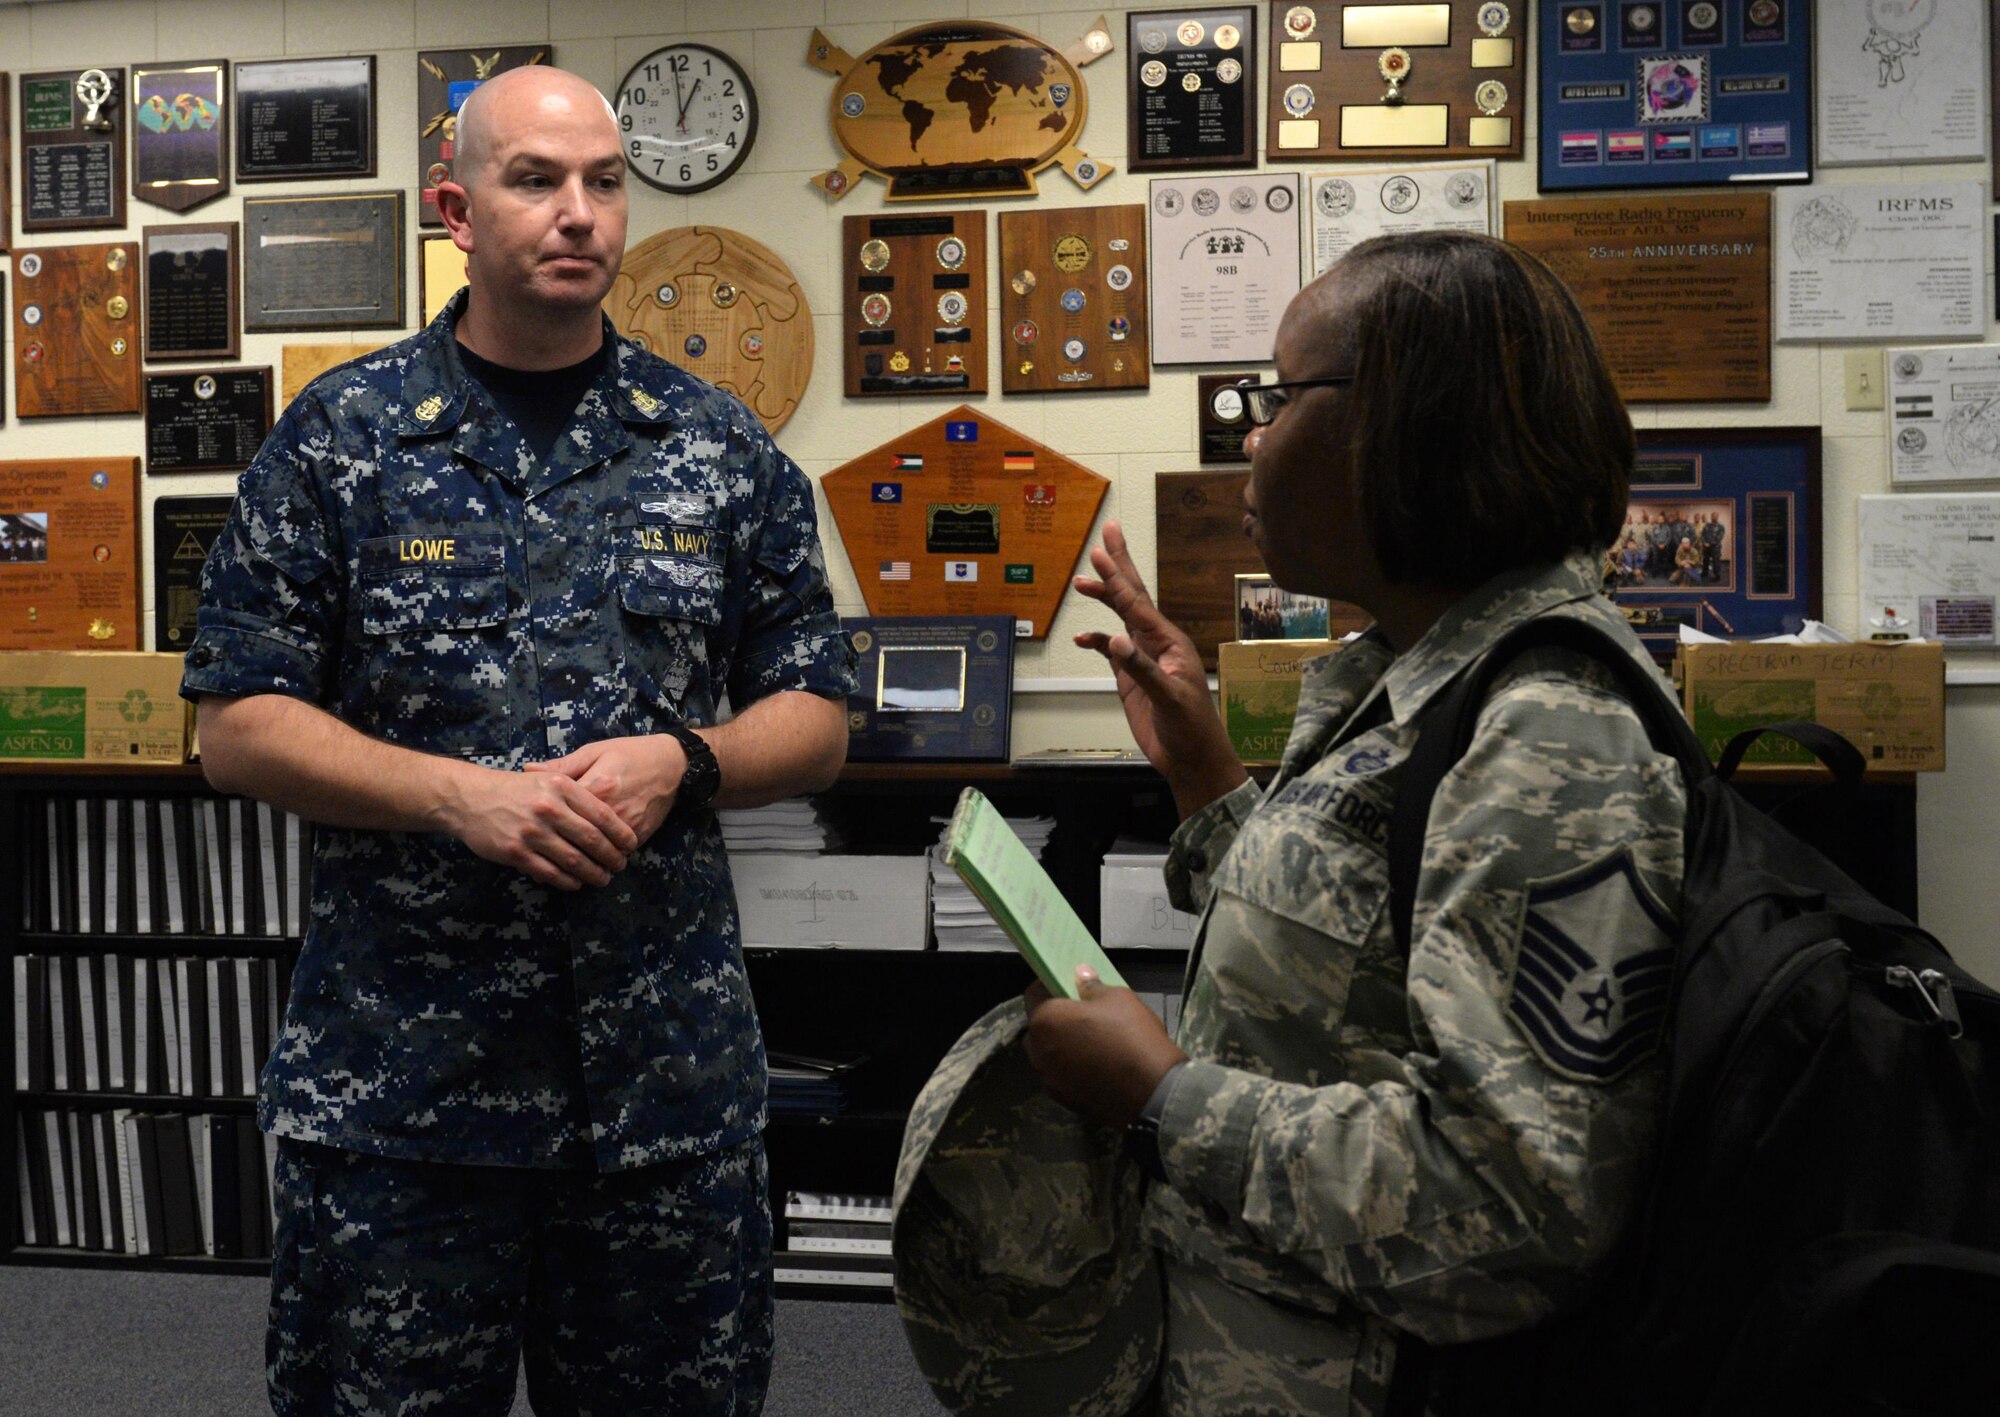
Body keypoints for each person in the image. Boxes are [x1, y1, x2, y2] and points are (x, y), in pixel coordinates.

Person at [180, 66, 855, 1416]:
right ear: (454, 209)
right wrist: (459, 801)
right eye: (536, 180)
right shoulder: (342, 441)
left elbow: (820, 714)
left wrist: (690, 761)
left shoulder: (716, 447)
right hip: (405, 1098)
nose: (580, 214)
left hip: (659, 1098)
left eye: (606, 181)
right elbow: (235, 726)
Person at [1022, 231, 1687, 1414]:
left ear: (1406, 426)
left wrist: (1160, 1094)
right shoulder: (1417, 671)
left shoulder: (1545, 732)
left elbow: (1511, 1211)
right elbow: (1358, 971)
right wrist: (1205, 782)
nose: (1251, 442)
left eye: (1277, 401)